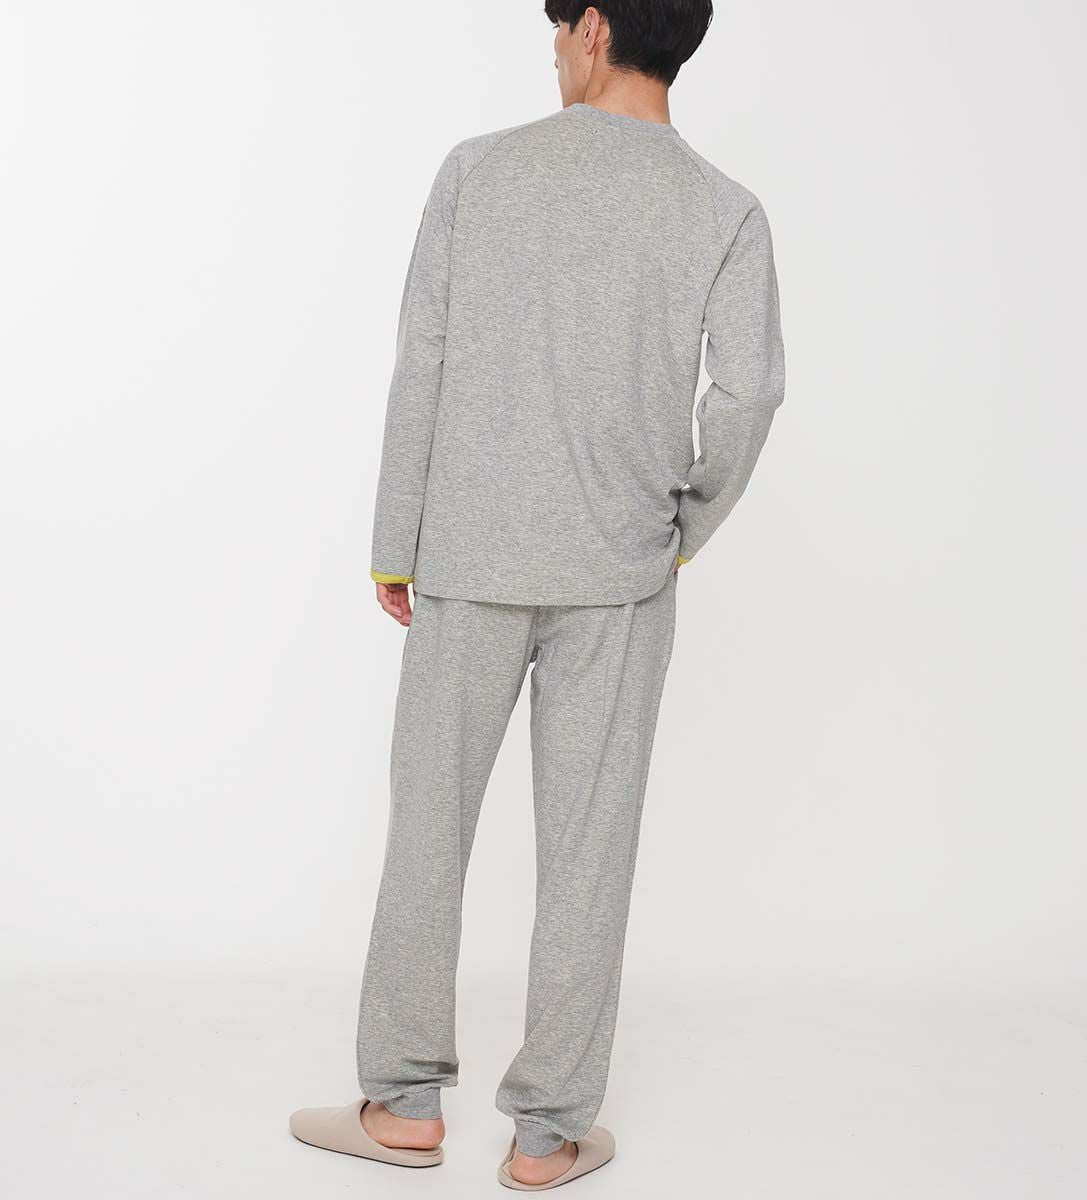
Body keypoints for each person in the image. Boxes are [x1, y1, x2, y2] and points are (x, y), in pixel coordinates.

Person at [289, 1, 784, 1189]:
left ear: (595, 28)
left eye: (559, 29)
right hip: (620, 574)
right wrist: (679, 530)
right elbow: (749, 397)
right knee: (589, 853)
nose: (555, 52)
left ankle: (402, 1107)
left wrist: (396, 541)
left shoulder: (479, 172)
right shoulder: (725, 211)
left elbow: (424, 359)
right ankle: (550, 1134)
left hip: (467, 559)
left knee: (429, 829)